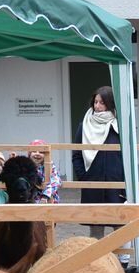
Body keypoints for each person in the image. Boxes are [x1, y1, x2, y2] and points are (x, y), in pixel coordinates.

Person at [72, 86, 127, 245]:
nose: (97, 106)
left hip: (116, 183)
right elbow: (77, 154)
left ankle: (123, 263)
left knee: (120, 224)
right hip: (92, 182)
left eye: (101, 102)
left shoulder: (119, 127)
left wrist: (124, 179)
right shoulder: (84, 126)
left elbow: (128, 156)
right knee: (96, 226)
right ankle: (98, 262)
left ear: (109, 104)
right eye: (95, 102)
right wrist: (84, 176)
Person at [26, 139, 62, 204]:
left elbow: (56, 180)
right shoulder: (25, 166)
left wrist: (46, 195)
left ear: (45, 155)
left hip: (48, 197)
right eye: (34, 151)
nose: (37, 154)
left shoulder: (49, 165)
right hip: (31, 198)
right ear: (29, 154)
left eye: (41, 152)